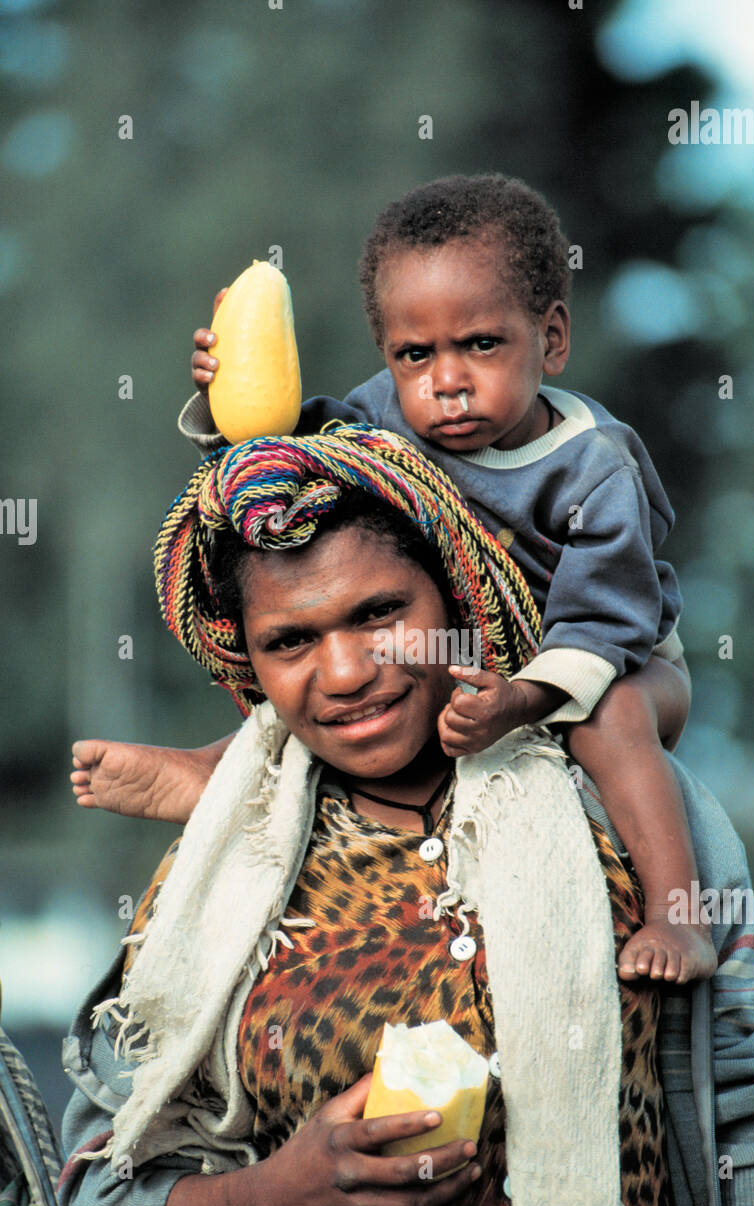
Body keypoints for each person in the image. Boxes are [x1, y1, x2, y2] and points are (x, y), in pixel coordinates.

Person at [61, 426, 754, 1206]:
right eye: (290, 642)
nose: (343, 674)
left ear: (456, 600)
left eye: (380, 615)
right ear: (250, 660)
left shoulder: (630, 811)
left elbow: (748, 1129)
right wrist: (272, 1198)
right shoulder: (217, 874)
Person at [71, 173, 716, 986]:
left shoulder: (592, 469)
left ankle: (674, 911)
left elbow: (606, 625)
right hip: (478, 644)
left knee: (613, 718)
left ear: (550, 338)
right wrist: (220, 402)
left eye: (481, 345)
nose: (445, 380)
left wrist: (523, 699)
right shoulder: (389, 414)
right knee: (332, 681)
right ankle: (223, 767)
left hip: (614, 653)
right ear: (389, 355)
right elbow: (290, 467)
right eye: (416, 354)